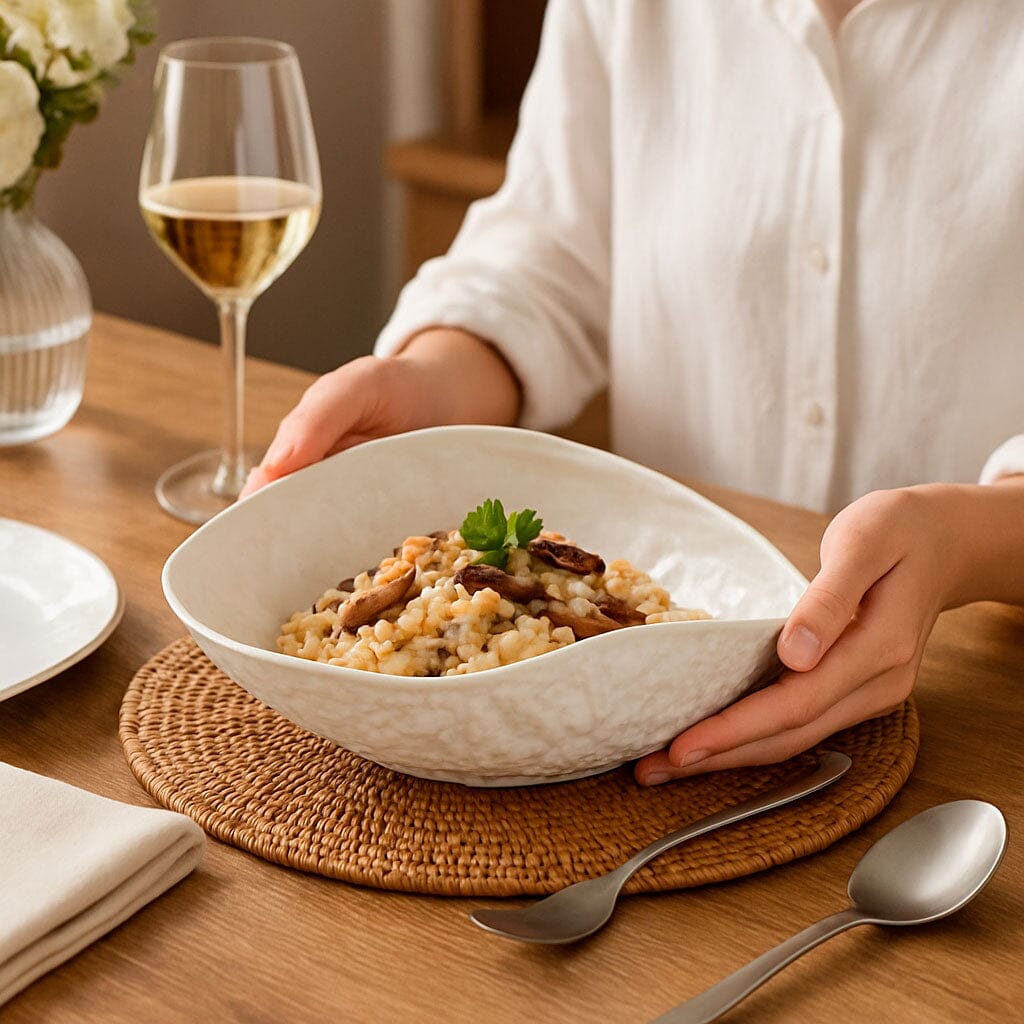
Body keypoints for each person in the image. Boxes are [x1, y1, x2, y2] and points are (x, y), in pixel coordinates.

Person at [242, 0, 1024, 785]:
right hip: (632, 707)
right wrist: (430, 380)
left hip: (982, 696)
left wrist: (964, 544)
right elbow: (553, 258)